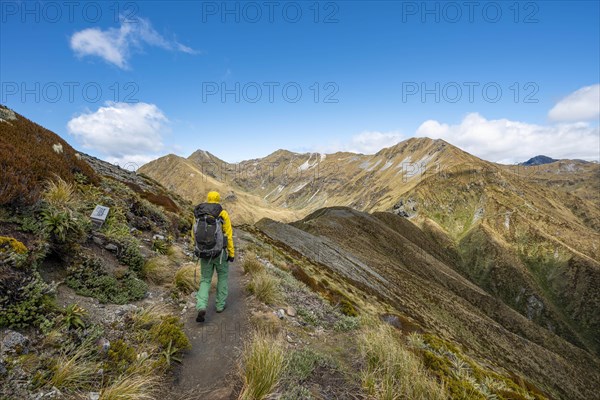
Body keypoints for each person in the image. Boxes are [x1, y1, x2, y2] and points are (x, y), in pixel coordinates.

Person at [192, 191, 235, 322]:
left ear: (208, 198)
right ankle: (220, 305)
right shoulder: (222, 213)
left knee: (205, 279)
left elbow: (193, 233)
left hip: (204, 252)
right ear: (218, 199)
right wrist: (231, 253)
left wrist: (197, 248)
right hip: (220, 253)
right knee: (222, 277)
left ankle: (201, 306)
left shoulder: (199, 213)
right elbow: (228, 235)